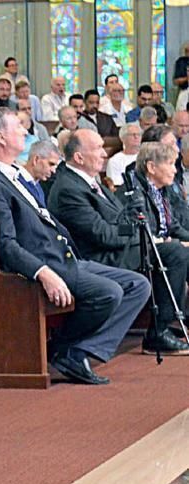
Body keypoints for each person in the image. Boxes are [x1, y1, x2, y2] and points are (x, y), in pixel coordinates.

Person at [0, 108, 151, 384]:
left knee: (138, 285)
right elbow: (6, 245)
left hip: (63, 257)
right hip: (45, 264)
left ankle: (75, 350)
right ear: (0, 137)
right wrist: (43, 272)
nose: (24, 131)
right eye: (18, 127)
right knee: (108, 292)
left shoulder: (11, 174)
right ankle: (68, 350)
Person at [48, 132, 189, 355]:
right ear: (79, 157)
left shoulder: (93, 183)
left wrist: (135, 230)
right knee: (172, 252)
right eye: (98, 148)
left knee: (173, 250)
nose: (105, 154)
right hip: (94, 257)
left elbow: (121, 221)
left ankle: (171, 323)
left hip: (116, 248)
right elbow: (102, 235)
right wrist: (140, 234)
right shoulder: (69, 189)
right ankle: (158, 332)